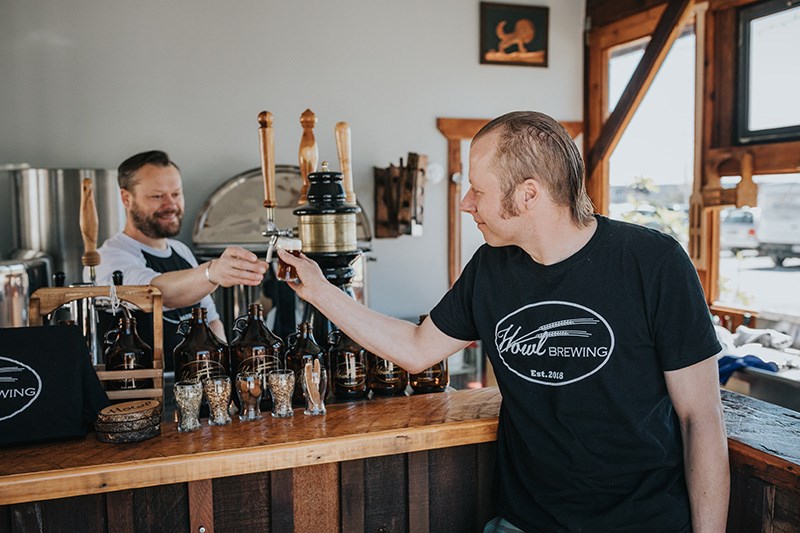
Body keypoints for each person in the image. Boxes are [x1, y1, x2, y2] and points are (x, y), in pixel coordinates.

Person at [279, 111, 729, 532]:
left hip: (643, 522)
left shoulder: (653, 263)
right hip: (526, 521)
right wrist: (320, 290)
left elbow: (700, 419)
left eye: (478, 189)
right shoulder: (491, 267)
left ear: (528, 194)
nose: (465, 203)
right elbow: (417, 349)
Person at [91, 150, 268, 367]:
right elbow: (158, 293)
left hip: (194, 386)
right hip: (141, 392)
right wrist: (211, 273)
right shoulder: (108, 258)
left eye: (176, 194)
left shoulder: (180, 251)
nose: (170, 205)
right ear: (126, 198)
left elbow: (211, 321)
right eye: (157, 196)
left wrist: (221, 371)